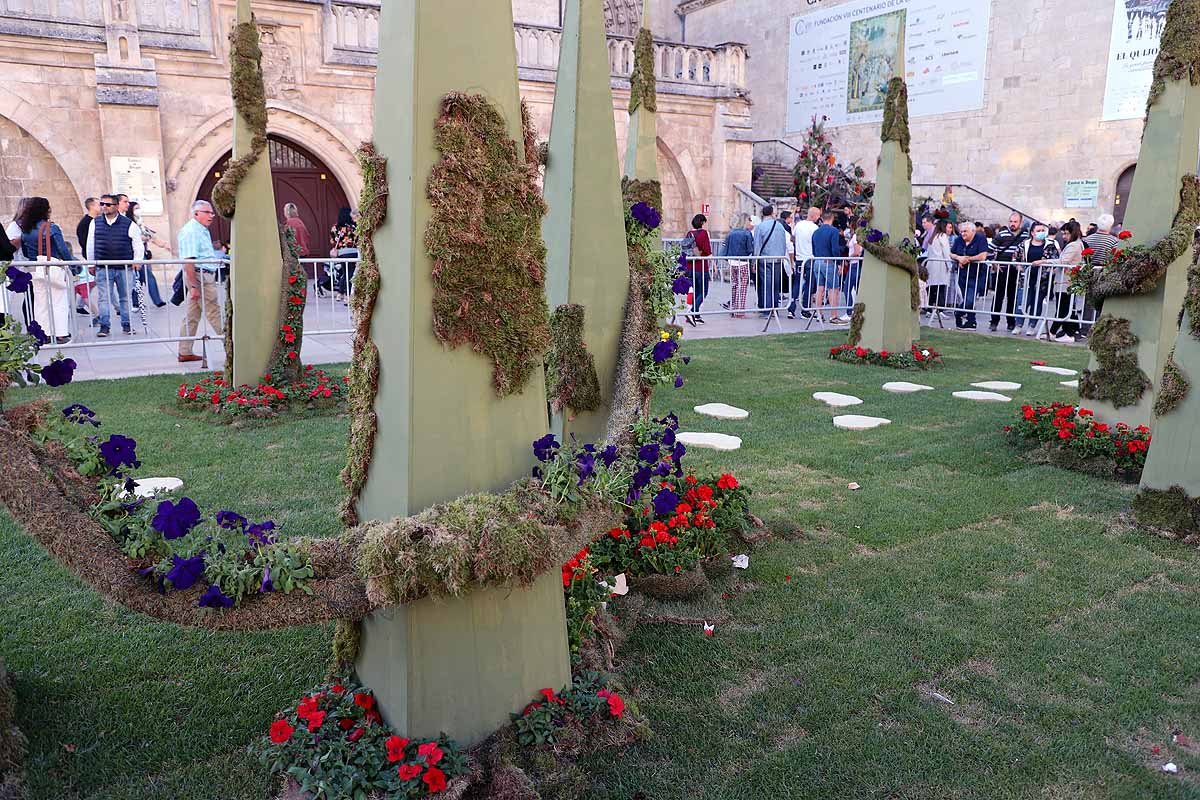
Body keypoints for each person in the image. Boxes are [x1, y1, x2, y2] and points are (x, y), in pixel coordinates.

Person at [19, 196, 78, 343]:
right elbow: (63, 250)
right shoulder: (52, 228)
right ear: (47, 210)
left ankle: (42, 334)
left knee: (40, 304)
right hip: (53, 267)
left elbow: (25, 252)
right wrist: (73, 266)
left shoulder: (25, 230)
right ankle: (60, 334)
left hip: (35, 269)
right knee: (59, 302)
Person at [86, 193, 145, 336]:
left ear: (116, 206)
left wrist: (137, 261)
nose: (104, 207)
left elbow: (137, 244)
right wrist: (90, 263)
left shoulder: (129, 224)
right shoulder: (95, 222)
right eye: (102, 204)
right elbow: (90, 243)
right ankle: (104, 326)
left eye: (108, 204)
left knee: (125, 297)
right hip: (103, 267)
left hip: (124, 268)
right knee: (103, 298)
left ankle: (127, 325)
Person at [177, 200, 225, 363]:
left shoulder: (200, 230)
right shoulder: (192, 231)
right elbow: (188, 261)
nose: (211, 216)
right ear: (196, 213)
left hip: (201, 276)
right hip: (200, 277)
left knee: (192, 316)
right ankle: (232, 347)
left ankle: (185, 351)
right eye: (207, 212)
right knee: (214, 313)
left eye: (212, 212)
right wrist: (193, 286)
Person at [1013, 222, 1059, 336]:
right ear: (1032, 233)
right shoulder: (1024, 244)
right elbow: (1015, 257)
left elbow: (1057, 259)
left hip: (1042, 280)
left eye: (1042, 230)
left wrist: (1050, 271)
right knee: (1022, 301)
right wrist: (1018, 267)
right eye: (1038, 231)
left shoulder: (1051, 244)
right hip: (1025, 278)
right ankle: (1018, 324)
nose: (1041, 233)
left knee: (1037, 302)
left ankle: (1032, 326)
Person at [989, 212, 1029, 332]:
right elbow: (990, 250)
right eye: (1011, 221)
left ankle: (1010, 322)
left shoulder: (1025, 236)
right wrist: (994, 264)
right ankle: (994, 321)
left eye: (1015, 222)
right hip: (1002, 269)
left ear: (1020, 223)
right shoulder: (1002, 234)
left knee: (1013, 297)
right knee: (999, 296)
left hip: (1016, 270)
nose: (1012, 224)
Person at [1047, 220, 1085, 343]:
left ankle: (1062, 333)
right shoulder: (1076, 244)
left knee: (1063, 308)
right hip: (1067, 281)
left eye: (1066, 233)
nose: (1064, 236)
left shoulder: (1074, 245)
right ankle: (1071, 332)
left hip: (1066, 282)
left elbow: (1063, 261)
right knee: (1067, 308)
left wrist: (1044, 262)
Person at [126, 200, 165, 309]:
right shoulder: (129, 223)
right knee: (144, 277)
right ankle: (154, 300)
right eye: (136, 208)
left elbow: (151, 235)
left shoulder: (140, 223)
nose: (138, 211)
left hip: (143, 252)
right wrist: (140, 238)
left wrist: (164, 245)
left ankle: (138, 302)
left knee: (140, 278)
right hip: (135, 254)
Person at [951, 220, 989, 329]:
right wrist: (959, 258)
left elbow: (983, 256)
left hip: (976, 274)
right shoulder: (959, 240)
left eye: (965, 231)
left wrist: (968, 259)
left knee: (969, 300)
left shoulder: (980, 239)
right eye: (961, 231)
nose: (963, 234)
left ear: (973, 231)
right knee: (966, 299)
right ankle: (971, 322)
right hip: (963, 275)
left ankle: (958, 313)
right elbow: (951, 253)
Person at [751, 205, 788, 318]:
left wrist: (754, 262)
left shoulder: (760, 227)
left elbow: (757, 245)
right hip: (777, 259)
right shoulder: (780, 226)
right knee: (776, 284)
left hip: (764, 259)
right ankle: (774, 308)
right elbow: (783, 244)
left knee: (767, 284)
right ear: (772, 213)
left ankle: (767, 310)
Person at [811, 210, 846, 323]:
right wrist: (839, 263)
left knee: (820, 288)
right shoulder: (833, 231)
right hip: (829, 261)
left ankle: (818, 314)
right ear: (832, 218)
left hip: (817, 261)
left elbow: (813, 248)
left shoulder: (816, 232)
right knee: (833, 289)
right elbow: (835, 249)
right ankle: (833, 315)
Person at [789, 206, 820, 319]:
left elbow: (792, 238)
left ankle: (791, 308)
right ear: (813, 215)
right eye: (818, 215)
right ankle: (805, 309)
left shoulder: (799, 225)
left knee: (797, 283)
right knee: (809, 284)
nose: (818, 218)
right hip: (810, 258)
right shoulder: (815, 228)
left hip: (800, 258)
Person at [681, 213, 712, 325]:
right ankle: (693, 311)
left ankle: (696, 315)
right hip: (701, 266)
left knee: (696, 291)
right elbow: (707, 250)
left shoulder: (689, 233)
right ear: (702, 223)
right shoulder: (703, 233)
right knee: (703, 292)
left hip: (690, 266)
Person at [721, 213, 754, 318]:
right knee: (742, 287)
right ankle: (740, 311)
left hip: (732, 262)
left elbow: (725, 246)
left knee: (734, 285)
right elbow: (750, 249)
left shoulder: (731, 233)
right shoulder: (747, 234)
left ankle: (733, 308)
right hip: (743, 262)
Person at [923, 218, 955, 319]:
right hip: (940, 265)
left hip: (932, 264)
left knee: (932, 288)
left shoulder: (933, 236)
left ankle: (929, 309)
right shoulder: (943, 236)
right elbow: (946, 252)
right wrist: (949, 265)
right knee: (940, 288)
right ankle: (939, 309)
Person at [73, 197, 99, 316]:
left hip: (97, 256)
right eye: (99, 204)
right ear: (92, 206)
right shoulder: (85, 223)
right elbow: (84, 241)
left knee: (95, 282)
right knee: (98, 281)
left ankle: (80, 304)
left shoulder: (97, 220)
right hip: (92, 257)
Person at [329, 207, 358, 302]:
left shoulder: (335, 227)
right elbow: (358, 239)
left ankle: (340, 293)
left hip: (341, 253)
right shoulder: (353, 226)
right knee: (350, 273)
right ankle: (347, 294)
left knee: (345, 273)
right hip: (353, 252)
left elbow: (332, 241)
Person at [283, 202, 313, 268]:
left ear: (287, 212)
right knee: (301, 274)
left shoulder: (289, 223)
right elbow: (307, 236)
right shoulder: (300, 222)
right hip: (302, 252)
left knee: (293, 275)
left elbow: (287, 239)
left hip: (294, 253)